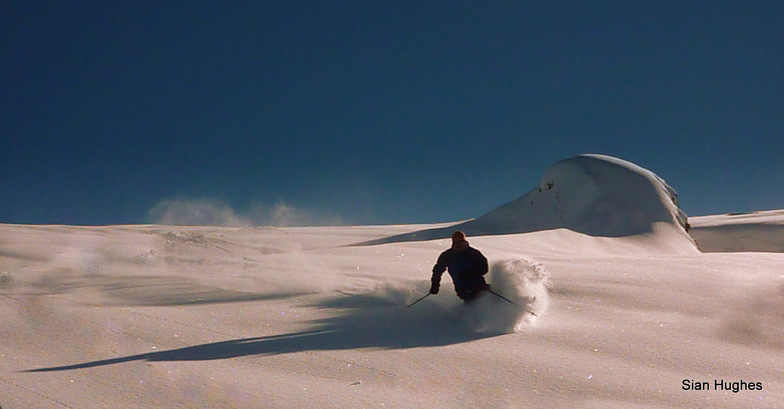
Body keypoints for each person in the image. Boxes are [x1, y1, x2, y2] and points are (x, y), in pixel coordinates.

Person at [430, 231, 490, 303]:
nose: (459, 244)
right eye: (456, 242)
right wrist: (435, 285)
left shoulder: (474, 253)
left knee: (486, 299)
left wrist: (470, 273)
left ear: (465, 241)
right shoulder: (447, 255)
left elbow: (484, 268)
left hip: (479, 285)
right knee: (470, 302)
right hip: (462, 288)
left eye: (461, 241)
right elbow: (438, 270)